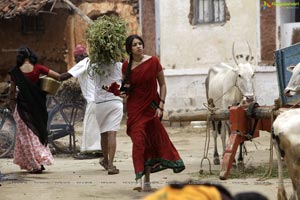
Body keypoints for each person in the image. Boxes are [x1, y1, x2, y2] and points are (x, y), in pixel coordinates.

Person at [120, 34, 185, 192]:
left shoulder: (153, 61)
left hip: (151, 108)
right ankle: (138, 178)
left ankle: (146, 179)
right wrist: (121, 94)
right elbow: (126, 89)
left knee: (150, 143)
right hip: (135, 109)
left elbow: (162, 85)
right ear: (130, 49)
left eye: (140, 43)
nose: (139, 47)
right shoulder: (125, 66)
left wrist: (161, 106)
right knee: (138, 142)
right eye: (135, 45)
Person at [9, 45, 60, 174]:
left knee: (25, 138)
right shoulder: (39, 68)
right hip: (38, 108)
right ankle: (39, 161)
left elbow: (12, 92)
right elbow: (58, 76)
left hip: (22, 109)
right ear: (31, 56)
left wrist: (11, 105)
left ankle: (35, 165)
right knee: (36, 135)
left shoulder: (15, 72)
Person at [60, 44, 102, 159]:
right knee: (96, 126)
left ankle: (89, 151)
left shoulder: (84, 62)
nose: (75, 60)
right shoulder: (92, 63)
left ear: (81, 56)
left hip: (93, 100)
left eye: (76, 57)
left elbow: (66, 75)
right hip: (98, 99)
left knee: (90, 125)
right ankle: (99, 149)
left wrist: (54, 76)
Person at [94, 59, 124, 175]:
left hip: (100, 103)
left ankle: (105, 161)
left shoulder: (95, 66)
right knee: (112, 134)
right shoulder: (119, 66)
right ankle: (111, 165)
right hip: (115, 102)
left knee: (103, 133)